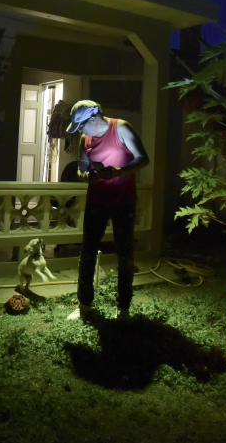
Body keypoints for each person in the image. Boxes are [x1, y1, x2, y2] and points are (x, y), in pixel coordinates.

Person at [64, 100, 149, 320]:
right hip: (96, 202)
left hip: (124, 202)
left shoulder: (121, 127)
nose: (80, 131)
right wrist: (88, 175)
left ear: (93, 118)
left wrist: (118, 171)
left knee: (125, 254)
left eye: (81, 125)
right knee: (87, 253)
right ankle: (84, 305)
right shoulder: (86, 139)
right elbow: (82, 169)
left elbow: (143, 158)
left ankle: (123, 308)